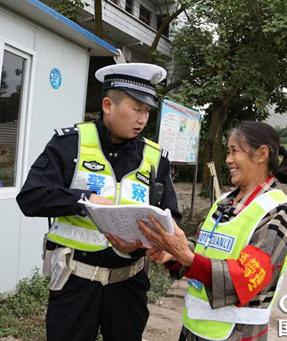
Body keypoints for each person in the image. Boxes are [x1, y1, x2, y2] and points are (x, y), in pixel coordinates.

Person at [16, 63, 182, 341]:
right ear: (108, 105)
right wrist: (85, 200)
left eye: (146, 111)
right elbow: (31, 197)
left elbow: (172, 218)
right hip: (75, 281)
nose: (142, 119)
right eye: (135, 109)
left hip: (129, 284)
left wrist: (146, 243)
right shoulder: (69, 144)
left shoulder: (155, 158)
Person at [137, 121, 287, 341]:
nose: (228, 160)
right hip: (194, 328)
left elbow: (246, 278)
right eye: (228, 152)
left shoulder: (278, 212)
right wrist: (174, 252)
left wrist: (187, 257)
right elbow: (206, 246)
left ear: (262, 154)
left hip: (238, 333)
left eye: (235, 151)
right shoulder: (226, 201)